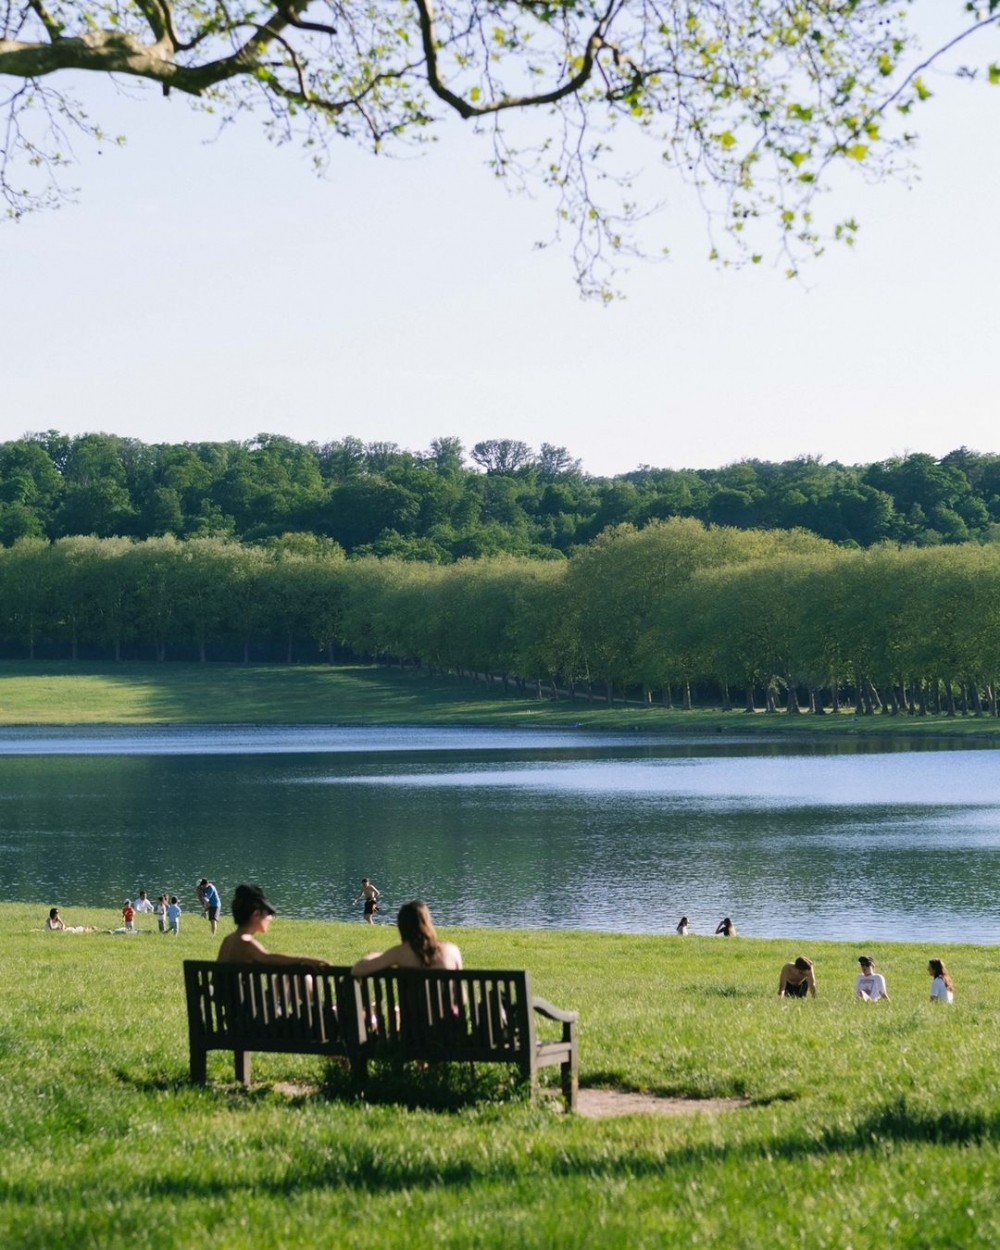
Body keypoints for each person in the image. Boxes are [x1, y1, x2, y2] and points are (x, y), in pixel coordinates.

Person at [217, 884, 329, 966]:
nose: (270, 918)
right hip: (244, 999)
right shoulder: (247, 943)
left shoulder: (227, 940)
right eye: (268, 913)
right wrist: (306, 959)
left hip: (224, 998)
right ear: (256, 915)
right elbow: (267, 958)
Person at [351, 900, 463, 976]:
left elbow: (357, 970)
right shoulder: (452, 950)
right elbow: (461, 996)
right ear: (428, 923)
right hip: (447, 1011)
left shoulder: (400, 952)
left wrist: (378, 954)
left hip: (413, 1012)